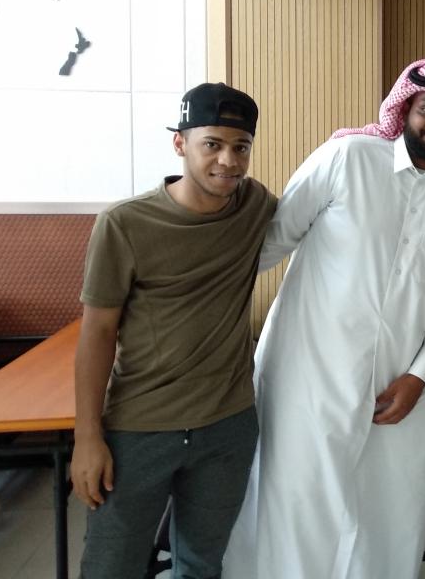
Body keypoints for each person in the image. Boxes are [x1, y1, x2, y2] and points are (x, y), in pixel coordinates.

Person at [223, 58, 425, 579]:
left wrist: (420, 375)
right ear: (405, 108)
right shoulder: (347, 158)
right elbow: (269, 244)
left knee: (387, 517)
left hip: (403, 386)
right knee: (294, 508)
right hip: (308, 376)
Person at [71, 83, 277, 578]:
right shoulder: (124, 224)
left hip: (228, 424)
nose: (228, 161)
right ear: (180, 143)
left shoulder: (254, 206)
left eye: (241, 147)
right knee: (111, 566)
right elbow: (97, 333)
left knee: (201, 565)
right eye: (213, 144)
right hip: (140, 427)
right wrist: (87, 437)